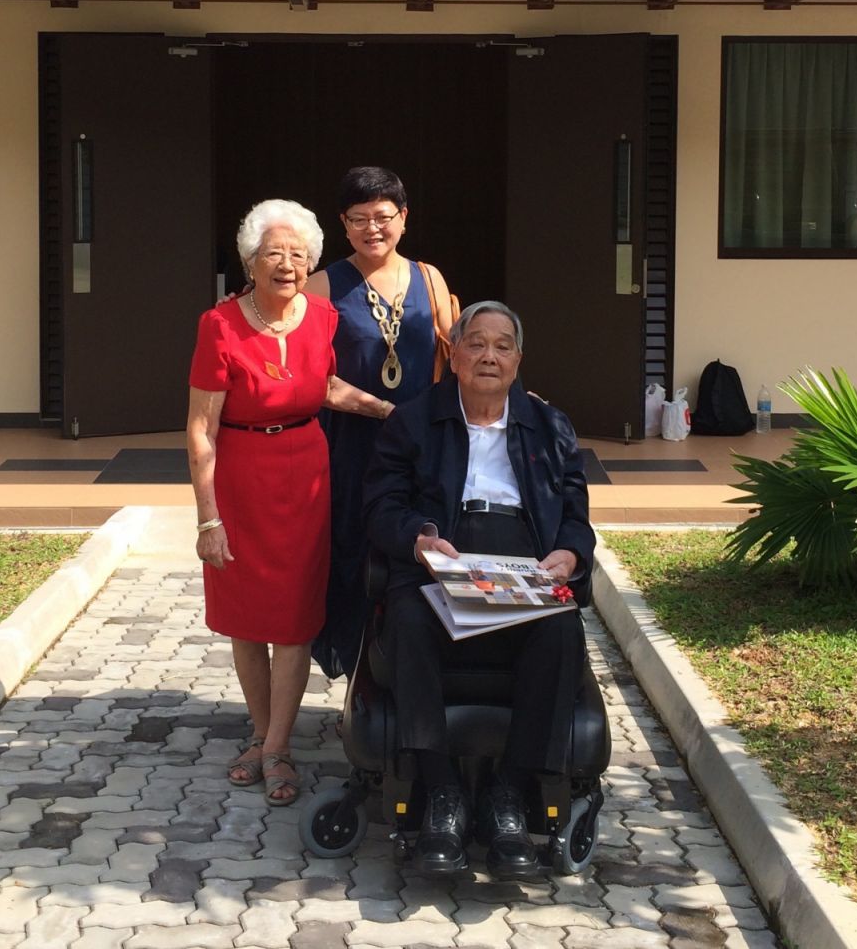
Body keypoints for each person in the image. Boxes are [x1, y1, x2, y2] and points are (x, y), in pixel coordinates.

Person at [363, 301, 594, 879]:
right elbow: (381, 507)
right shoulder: (413, 421)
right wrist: (417, 540)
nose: (489, 355)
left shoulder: (550, 425)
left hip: (524, 557)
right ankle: (441, 794)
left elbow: (574, 515)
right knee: (410, 617)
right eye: (477, 344)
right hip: (444, 558)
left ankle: (510, 795)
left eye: (503, 345)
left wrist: (569, 554)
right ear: (454, 354)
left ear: (518, 359)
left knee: (560, 626)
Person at [187, 198, 393, 806]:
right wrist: (208, 518)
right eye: (273, 254)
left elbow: (323, 386)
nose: (287, 265)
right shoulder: (219, 325)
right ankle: (264, 735)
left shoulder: (324, 317)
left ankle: (275, 746)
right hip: (241, 479)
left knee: (296, 619)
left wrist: (391, 413)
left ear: (311, 263)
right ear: (251, 263)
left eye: (298, 255)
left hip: (304, 478)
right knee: (247, 620)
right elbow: (201, 427)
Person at [305, 166, 455, 680]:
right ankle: (361, 678)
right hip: (348, 448)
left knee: (415, 554)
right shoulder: (321, 285)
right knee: (351, 557)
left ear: (404, 218)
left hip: (419, 450)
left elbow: (455, 356)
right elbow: (312, 378)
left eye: (384, 217)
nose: (373, 228)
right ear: (343, 225)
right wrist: (388, 412)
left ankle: (406, 672)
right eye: (359, 218)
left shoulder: (429, 278)